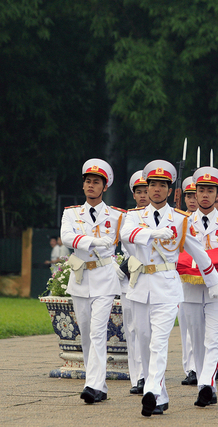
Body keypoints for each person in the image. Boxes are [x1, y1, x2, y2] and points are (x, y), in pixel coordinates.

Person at [121, 160, 218, 417]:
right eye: (152, 184)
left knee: (158, 342)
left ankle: (152, 392)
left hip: (166, 286)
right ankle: (161, 394)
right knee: (143, 340)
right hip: (139, 285)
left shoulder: (180, 219)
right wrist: (154, 234)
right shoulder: (134, 216)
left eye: (162, 185)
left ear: (171, 191)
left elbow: (198, 253)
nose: (156, 190)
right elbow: (126, 235)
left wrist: (213, 282)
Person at [60, 158, 125, 404]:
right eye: (87, 181)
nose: (90, 185)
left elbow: (129, 243)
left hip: (105, 277)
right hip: (80, 276)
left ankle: (92, 384)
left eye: (96, 182)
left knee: (98, 331)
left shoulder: (117, 215)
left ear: (104, 187)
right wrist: (91, 241)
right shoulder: (71, 213)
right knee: (86, 333)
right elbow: (66, 237)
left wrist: (127, 266)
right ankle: (99, 385)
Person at [181, 166, 218, 408]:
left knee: (213, 339)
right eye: (200, 190)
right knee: (196, 339)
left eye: (209, 190)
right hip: (190, 288)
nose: (204, 195)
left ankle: (204, 384)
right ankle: (209, 386)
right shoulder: (182, 222)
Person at [122, 171, 148, 396]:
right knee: (132, 330)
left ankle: (148, 374)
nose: (142, 195)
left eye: (145, 191)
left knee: (150, 331)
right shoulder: (128, 217)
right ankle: (137, 376)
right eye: (138, 192)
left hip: (152, 279)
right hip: (129, 280)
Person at [179, 176, 198, 386]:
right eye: (188, 196)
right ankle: (190, 367)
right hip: (182, 279)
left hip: (203, 277)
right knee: (186, 327)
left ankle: (199, 366)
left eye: (195, 195)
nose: (192, 200)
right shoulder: (178, 219)